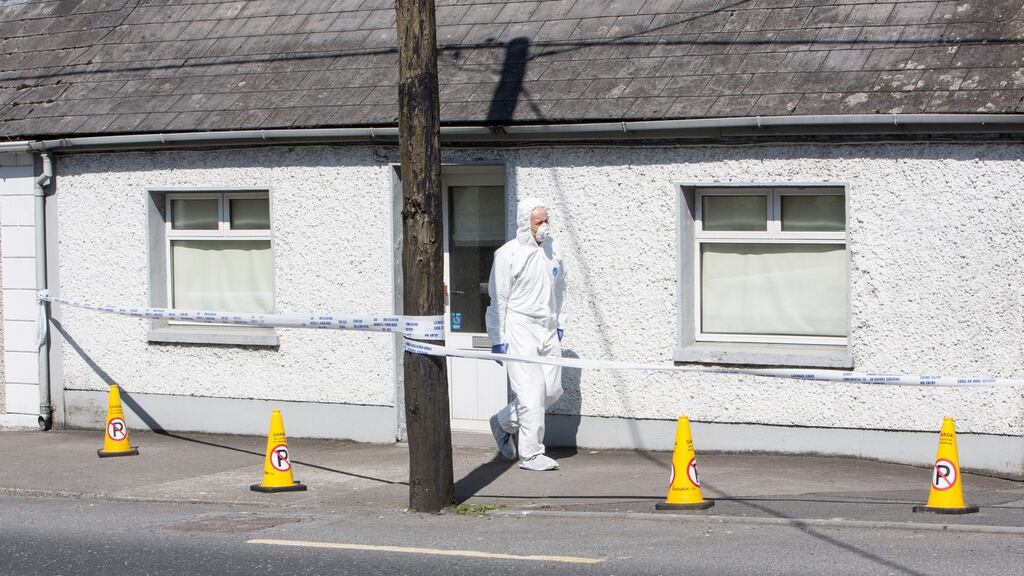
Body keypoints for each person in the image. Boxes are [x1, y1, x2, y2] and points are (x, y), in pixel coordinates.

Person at [485, 197, 566, 471]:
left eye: (546, 221)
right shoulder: (508, 254)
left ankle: (503, 422)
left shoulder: (553, 250)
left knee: (551, 391)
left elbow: (559, 289)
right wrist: (497, 338)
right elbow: (498, 299)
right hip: (519, 328)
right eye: (538, 222)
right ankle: (530, 454)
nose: (544, 227)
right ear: (525, 223)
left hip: (546, 328)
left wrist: (559, 321)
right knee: (531, 394)